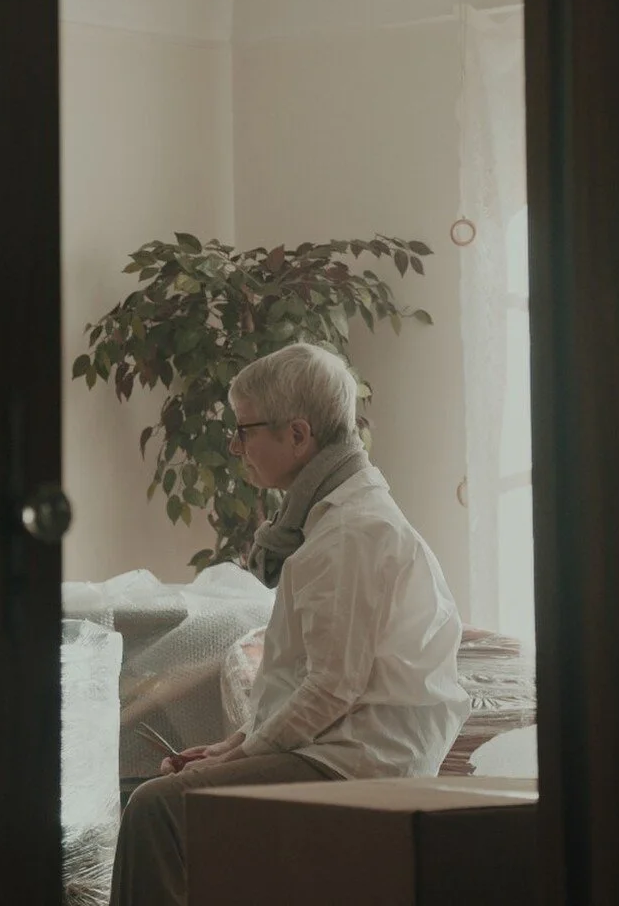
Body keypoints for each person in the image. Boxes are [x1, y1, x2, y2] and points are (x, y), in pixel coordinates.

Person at [110, 343, 468, 906]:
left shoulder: (351, 532)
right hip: (342, 752)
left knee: (154, 808)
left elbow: (331, 687)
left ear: (298, 435)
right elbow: (314, 681)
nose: (236, 447)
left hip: (357, 767)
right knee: (166, 793)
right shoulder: (338, 521)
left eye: (245, 430)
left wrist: (240, 754)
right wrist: (234, 744)